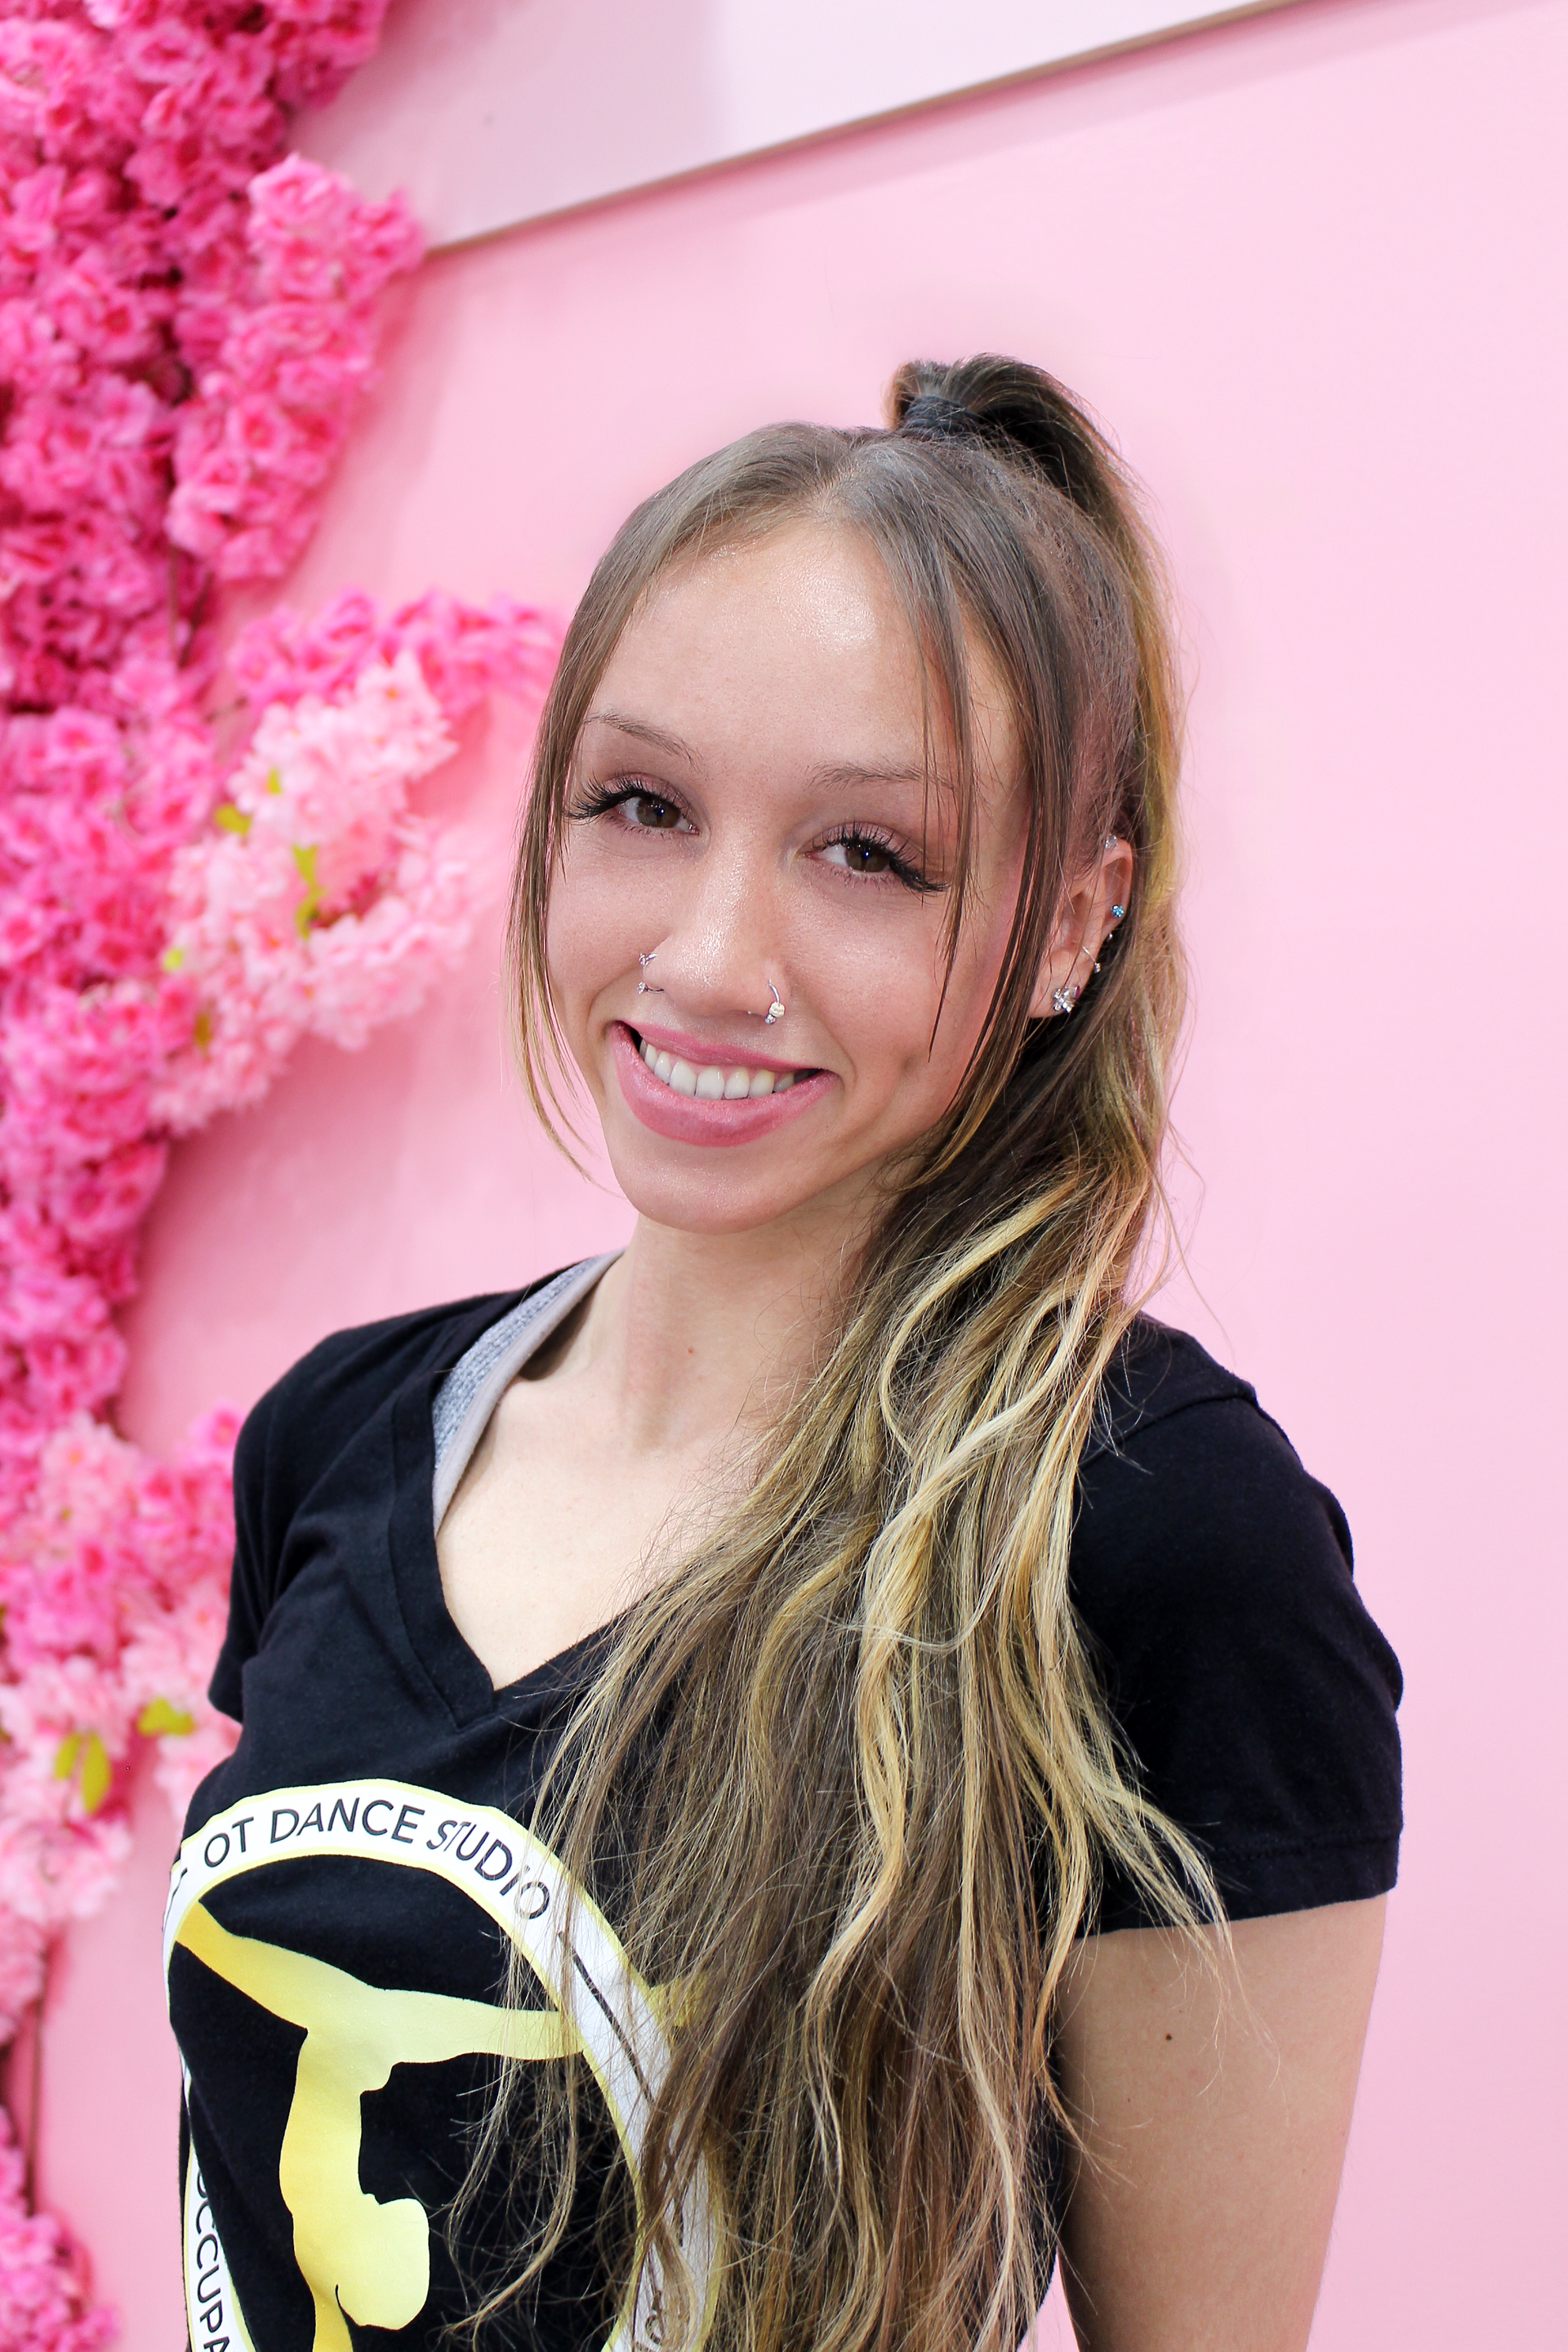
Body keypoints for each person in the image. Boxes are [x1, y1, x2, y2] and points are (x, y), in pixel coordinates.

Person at [167, 356, 1402, 2352]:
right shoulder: (346, 1434)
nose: (714, 958)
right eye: (644, 806)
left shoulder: (1156, 1534)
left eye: (871, 856)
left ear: (1075, 926)